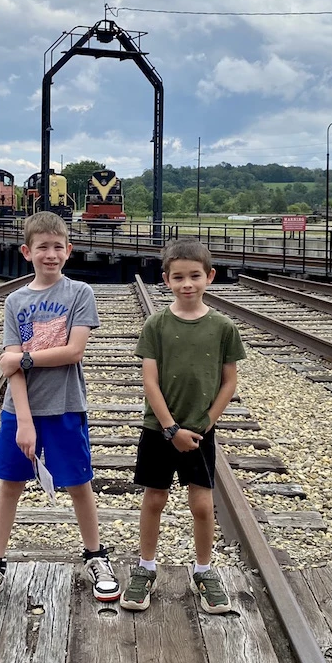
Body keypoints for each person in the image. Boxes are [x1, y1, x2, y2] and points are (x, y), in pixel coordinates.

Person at [0, 211, 120, 612]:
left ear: (69, 250)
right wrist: (24, 420)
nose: (50, 255)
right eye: (42, 247)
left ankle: (95, 555)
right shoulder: (16, 301)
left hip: (66, 406)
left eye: (57, 247)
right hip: (22, 411)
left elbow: (72, 351)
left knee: (79, 483)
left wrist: (24, 360)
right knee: (9, 485)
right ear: (26, 252)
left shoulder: (78, 293)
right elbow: (8, 367)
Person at [120, 237, 245, 614]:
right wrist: (171, 428)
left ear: (210, 276)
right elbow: (150, 382)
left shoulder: (223, 327)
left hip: (200, 431)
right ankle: (145, 567)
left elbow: (229, 381)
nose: (187, 284)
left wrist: (204, 424)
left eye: (194, 276)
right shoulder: (156, 325)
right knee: (154, 498)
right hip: (159, 430)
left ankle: (204, 570)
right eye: (179, 277)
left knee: (202, 504)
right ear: (166, 280)